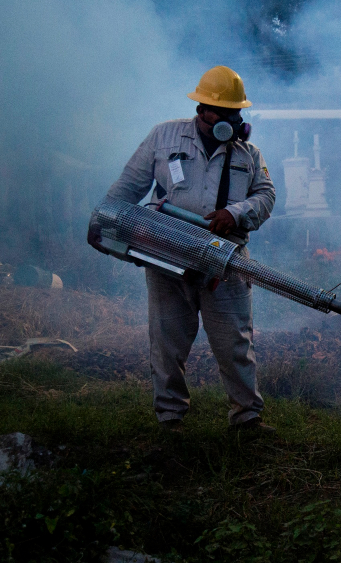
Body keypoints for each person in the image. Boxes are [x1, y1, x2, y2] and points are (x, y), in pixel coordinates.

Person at [88, 66, 276, 433]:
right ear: (202, 110)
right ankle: (170, 417)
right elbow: (128, 188)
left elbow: (266, 196)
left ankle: (247, 418)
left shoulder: (248, 154)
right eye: (222, 113)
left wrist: (236, 213)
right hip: (168, 253)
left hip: (225, 260)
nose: (230, 122)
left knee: (235, 340)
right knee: (167, 338)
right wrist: (104, 221)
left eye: (235, 113)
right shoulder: (163, 138)